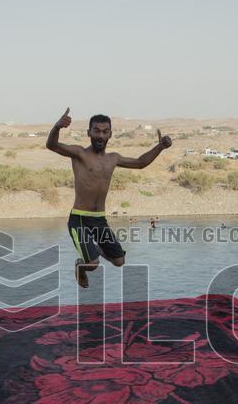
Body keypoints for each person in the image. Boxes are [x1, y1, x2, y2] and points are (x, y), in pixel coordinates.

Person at [46, 108, 172, 288]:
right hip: (80, 219)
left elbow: (140, 163)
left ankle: (93, 252)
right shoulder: (79, 153)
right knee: (93, 264)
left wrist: (160, 147)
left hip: (100, 220)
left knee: (119, 261)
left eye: (105, 131)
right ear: (88, 132)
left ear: (110, 134)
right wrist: (57, 127)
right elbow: (52, 145)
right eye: (96, 130)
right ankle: (81, 265)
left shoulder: (113, 158)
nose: (100, 135)